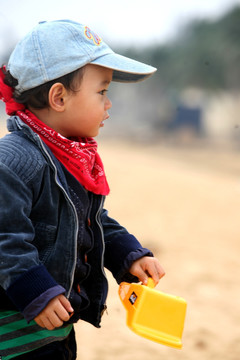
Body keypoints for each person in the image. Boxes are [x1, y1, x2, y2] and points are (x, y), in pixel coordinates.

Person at [0, 20, 165, 360]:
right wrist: (37, 291)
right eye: (102, 92)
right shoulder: (13, 160)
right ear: (59, 97)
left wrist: (127, 255)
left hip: (54, 330)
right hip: (13, 335)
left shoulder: (68, 155)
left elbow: (89, 219)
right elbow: (5, 238)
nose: (108, 104)